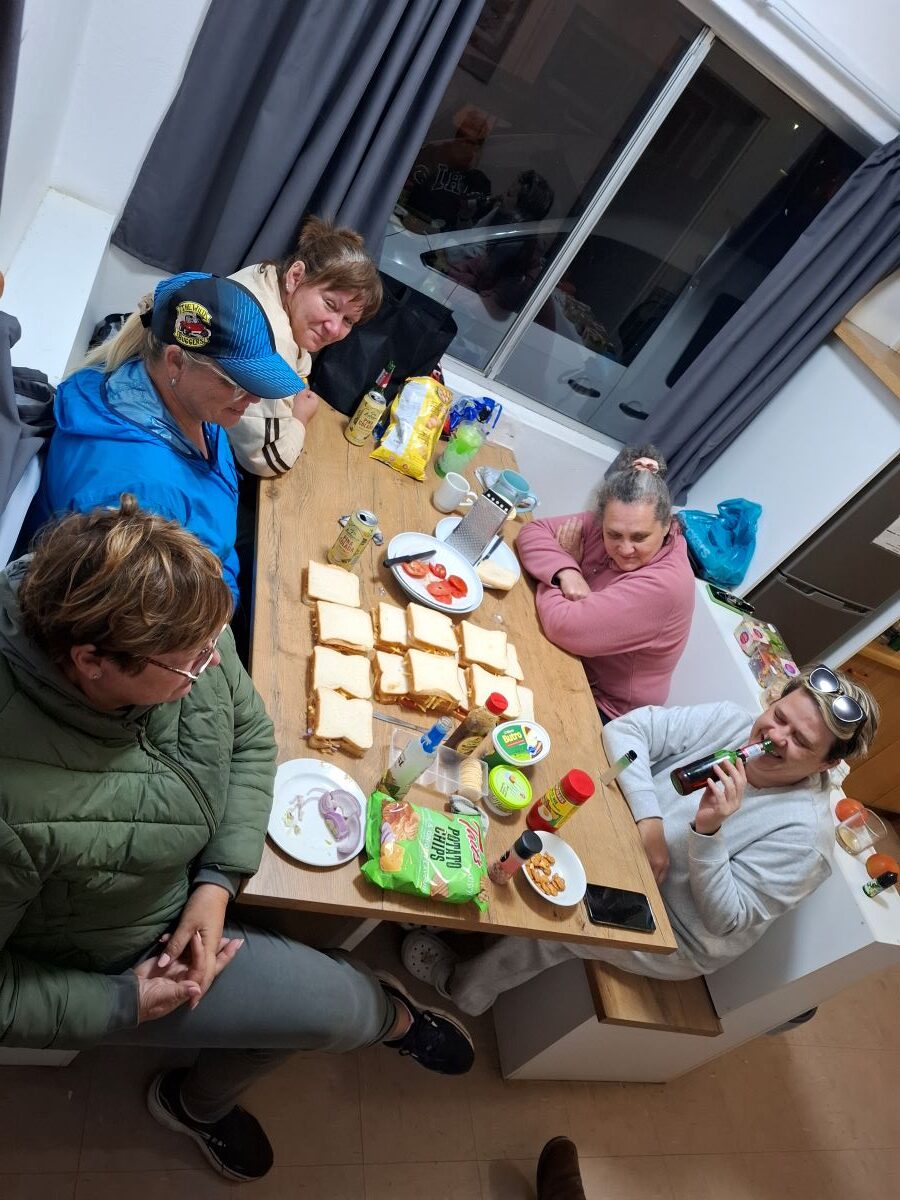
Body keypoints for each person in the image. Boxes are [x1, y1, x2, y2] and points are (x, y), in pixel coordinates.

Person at [0, 498, 474, 1183]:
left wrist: (218, 881)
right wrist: (123, 1001)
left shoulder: (178, 619)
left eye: (214, 643)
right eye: (189, 666)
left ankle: (347, 1003)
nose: (210, 665)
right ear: (91, 661)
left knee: (328, 940)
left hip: (195, 871)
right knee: (340, 1008)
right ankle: (353, 1033)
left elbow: (250, 735)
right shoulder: (14, 801)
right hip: (125, 949)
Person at [401, 667, 879, 1015]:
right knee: (545, 817)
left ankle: (464, 988)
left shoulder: (806, 839)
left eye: (800, 740)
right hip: (637, 844)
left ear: (825, 764)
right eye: (779, 716)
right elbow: (628, 730)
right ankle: (460, 906)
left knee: (566, 922)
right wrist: (650, 822)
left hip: (677, 928)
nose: (775, 736)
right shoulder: (735, 722)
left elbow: (726, 920)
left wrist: (709, 833)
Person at [30, 272, 306, 602]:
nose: (255, 398)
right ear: (175, 361)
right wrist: (227, 598)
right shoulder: (137, 498)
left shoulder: (190, 402)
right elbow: (147, 614)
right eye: (237, 383)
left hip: (212, 564)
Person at [515, 445, 695, 721]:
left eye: (639, 538)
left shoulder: (666, 586)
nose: (625, 548)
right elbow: (532, 532)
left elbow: (564, 626)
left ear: (667, 527)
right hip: (575, 660)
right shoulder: (607, 521)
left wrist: (563, 560)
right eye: (614, 535)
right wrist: (566, 571)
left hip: (607, 709)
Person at [228, 215, 383, 477]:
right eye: (330, 304)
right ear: (296, 276)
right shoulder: (271, 346)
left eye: (348, 320)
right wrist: (301, 416)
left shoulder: (267, 274)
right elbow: (269, 460)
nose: (334, 328)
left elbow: (300, 360)